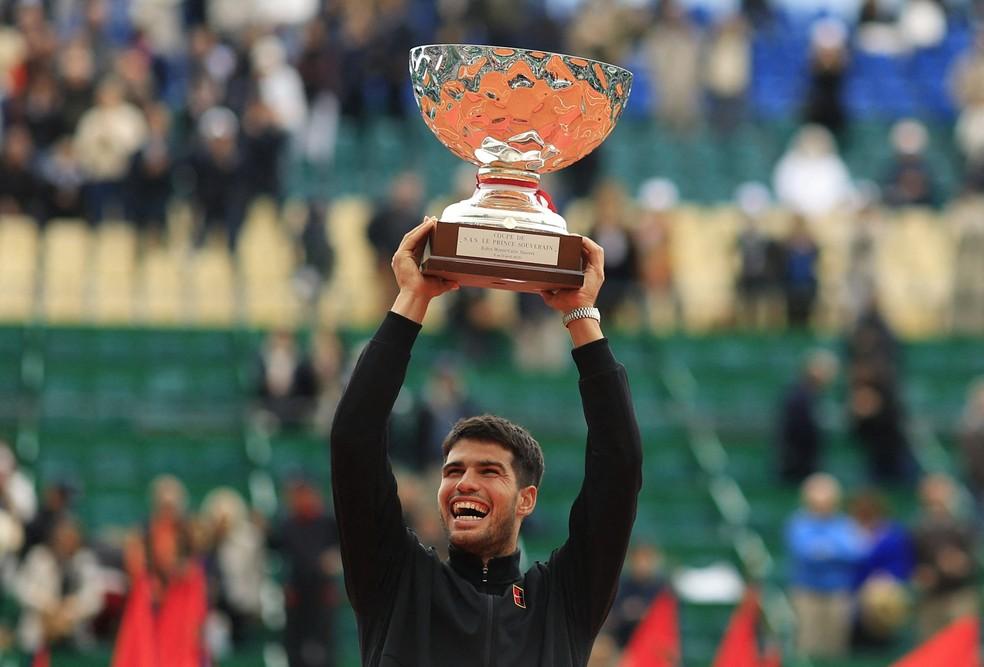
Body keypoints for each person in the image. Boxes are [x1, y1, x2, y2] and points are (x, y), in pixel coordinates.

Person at [330, 217, 643, 666]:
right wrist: (412, 299)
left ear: (526, 499)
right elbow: (353, 441)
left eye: (489, 470)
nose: (464, 482)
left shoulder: (562, 600)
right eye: (453, 470)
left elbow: (620, 464)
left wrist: (581, 316)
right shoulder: (396, 581)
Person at [785, 473, 866, 659]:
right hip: (807, 594)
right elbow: (804, 552)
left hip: (838, 593)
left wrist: (824, 550)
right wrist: (833, 551)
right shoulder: (799, 523)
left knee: (836, 649)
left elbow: (855, 552)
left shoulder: (844, 523)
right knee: (808, 645)